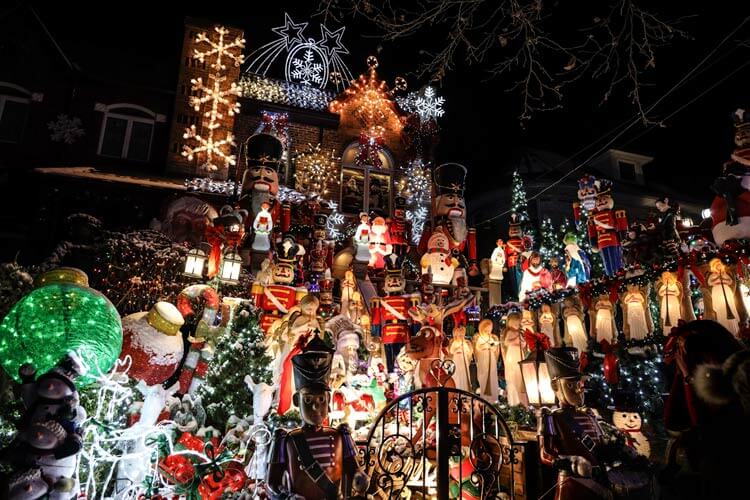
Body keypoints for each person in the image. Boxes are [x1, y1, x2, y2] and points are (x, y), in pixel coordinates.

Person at [267, 334, 368, 499]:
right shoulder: (285, 439)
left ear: (328, 401)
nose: (316, 406)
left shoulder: (341, 435)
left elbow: (354, 469)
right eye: (308, 400)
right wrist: (285, 496)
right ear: (296, 401)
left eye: (321, 399)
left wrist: (359, 478)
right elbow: (271, 484)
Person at [662, 320, 746, 499]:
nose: (682, 354)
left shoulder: (735, 379)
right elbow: (672, 420)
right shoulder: (700, 375)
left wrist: (688, 377)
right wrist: (681, 373)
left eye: (686, 349)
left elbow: (707, 429)